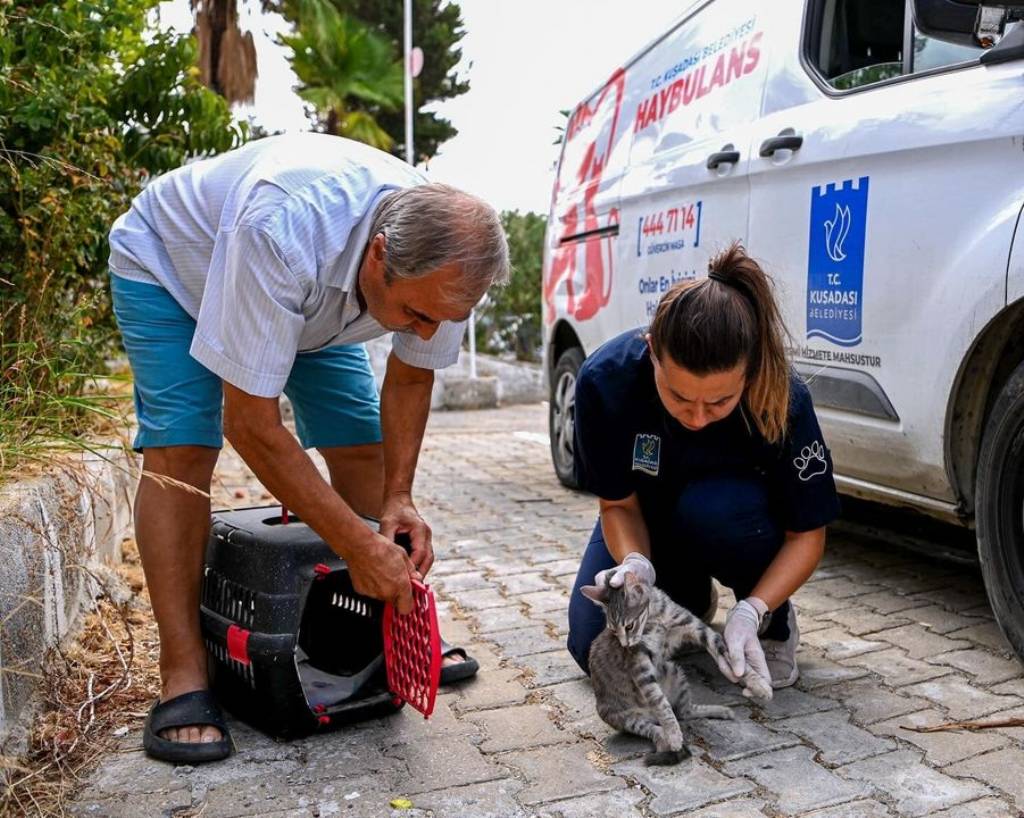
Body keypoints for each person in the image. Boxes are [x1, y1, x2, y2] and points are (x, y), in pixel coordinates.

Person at [107, 133, 509, 763]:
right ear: (378, 256)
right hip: (173, 270)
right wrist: (356, 542)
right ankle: (183, 674)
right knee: (183, 453)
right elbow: (253, 427)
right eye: (415, 313)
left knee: (362, 446)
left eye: (441, 318)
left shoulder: (448, 266)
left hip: (319, 305)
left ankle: (393, 626)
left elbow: (410, 376)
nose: (427, 332)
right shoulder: (282, 226)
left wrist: (397, 498)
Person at [566, 243, 840, 692]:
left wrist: (753, 609)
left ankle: (771, 622)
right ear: (653, 352)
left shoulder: (783, 397)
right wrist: (635, 566)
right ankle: (686, 597)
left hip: (733, 524)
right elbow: (616, 504)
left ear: (748, 373)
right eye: (677, 396)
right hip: (648, 524)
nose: (695, 418)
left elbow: (807, 535)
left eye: (719, 402)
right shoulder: (604, 382)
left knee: (714, 508)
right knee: (590, 645)